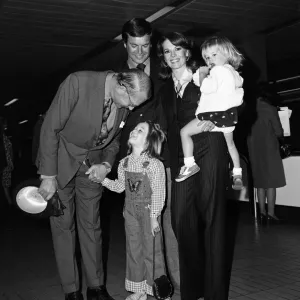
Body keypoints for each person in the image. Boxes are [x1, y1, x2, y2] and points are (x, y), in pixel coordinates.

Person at [37, 69, 152, 300]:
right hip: (61, 162)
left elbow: (115, 140)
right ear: (121, 86)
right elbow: (50, 128)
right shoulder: (77, 83)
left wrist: (107, 165)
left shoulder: (122, 103)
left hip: (93, 168)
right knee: (63, 227)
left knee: (92, 226)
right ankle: (72, 291)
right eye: (131, 103)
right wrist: (48, 176)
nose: (130, 109)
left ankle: (96, 288)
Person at [155, 32, 237, 300]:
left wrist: (223, 118)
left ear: (187, 52)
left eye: (178, 49)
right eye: (167, 51)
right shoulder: (165, 89)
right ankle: (194, 288)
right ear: (164, 58)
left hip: (211, 147)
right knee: (180, 220)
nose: (173, 55)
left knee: (213, 218)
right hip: (183, 156)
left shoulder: (207, 74)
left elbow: (234, 95)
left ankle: (214, 293)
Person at [115, 18, 180, 289]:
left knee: (170, 221)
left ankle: (178, 280)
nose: (140, 53)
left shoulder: (167, 72)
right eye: (134, 46)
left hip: (164, 161)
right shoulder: (118, 79)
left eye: (145, 46)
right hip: (134, 168)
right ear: (124, 44)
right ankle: (152, 282)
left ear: (151, 42)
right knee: (144, 229)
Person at [100, 121, 169, 300]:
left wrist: (154, 217)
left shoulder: (154, 165)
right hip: (130, 213)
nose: (134, 130)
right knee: (134, 251)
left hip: (148, 213)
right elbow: (119, 187)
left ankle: (160, 290)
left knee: (152, 251)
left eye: (141, 130)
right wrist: (103, 180)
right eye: (134, 128)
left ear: (147, 142)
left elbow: (159, 192)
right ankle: (139, 290)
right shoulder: (124, 163)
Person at [176, 36, 244, 191]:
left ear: (227, 53)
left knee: (184, 132)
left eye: (214, 55)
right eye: (206, 57)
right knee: (231, 145)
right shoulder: (233, 73)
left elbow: (206, 87)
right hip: (227, 117)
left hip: (211, 115)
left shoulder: (219, 71)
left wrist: (202, 75)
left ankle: (189, 164)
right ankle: (237, 173)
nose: (210, 59)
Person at [247, 82, 286, 222]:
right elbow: (278, 131)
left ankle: (261, 212)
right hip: (269, 148)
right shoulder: (270, 108)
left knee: (260, 181)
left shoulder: (249, 109)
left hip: (253, 148)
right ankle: (271, 212)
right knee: (271, 182)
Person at [0, 117, 14, 206]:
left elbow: (9, 150)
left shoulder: (4, 136)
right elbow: (8, 150)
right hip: (4, 163)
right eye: (4, 124)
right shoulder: (3, 137)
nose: (6, 126)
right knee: (5, 183)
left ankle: (8, 200)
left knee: (6, 182)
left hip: (5, 164)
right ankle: (8, 200)